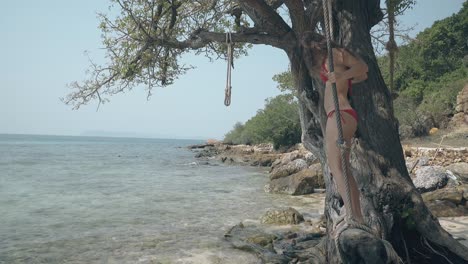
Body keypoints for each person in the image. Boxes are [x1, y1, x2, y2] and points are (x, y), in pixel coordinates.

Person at [302, 32, 368, 224]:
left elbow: (364, 67)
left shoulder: (336, 54)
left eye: (309, 47)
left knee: (336, 167)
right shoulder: (330, 60)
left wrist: (342, 75)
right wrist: (347, 78)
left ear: (316, 45)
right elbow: (362, 75)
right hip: (342, 116)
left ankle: (351, 215)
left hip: (340, 115)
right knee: (343, 168)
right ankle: (357, 215)